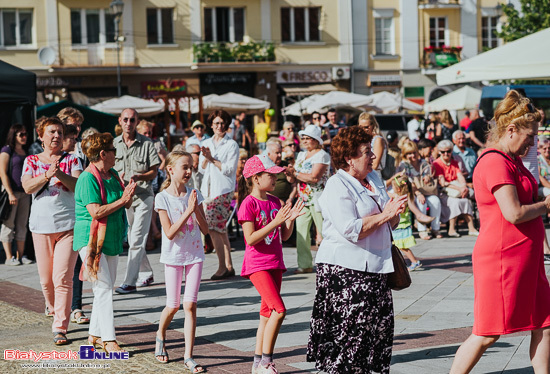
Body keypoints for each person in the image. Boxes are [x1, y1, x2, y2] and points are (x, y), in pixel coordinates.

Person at [450, 90, 550, 373]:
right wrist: (546, 205)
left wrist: (545, 193)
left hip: (525, 257)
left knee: (545, 323)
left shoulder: (512, 159)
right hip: (503, 259)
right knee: (487, 333)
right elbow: (514, 213)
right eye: (530, 136)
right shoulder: (495, 161)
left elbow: (528, 191)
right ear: (511, 129)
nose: (533, 143)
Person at [307, 126, 407, 373]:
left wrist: (394, 212)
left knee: (377, 335)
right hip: (346, 273)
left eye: (371, 151)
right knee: (350, 338)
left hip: (377, 268)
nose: (373, 156)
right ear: (349, 159)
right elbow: (351, 229)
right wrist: (385, 215)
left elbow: (387, 222)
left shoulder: (373, 179)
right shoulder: (337, 184)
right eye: (366, 152)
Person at [237, 154, 305, 374]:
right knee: (279, 310)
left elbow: (284, 236)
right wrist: (275, 222)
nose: (276, 178)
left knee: (266, 315)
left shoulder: (275, 201)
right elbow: (250, 238)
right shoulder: (248, 203)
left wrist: (289, 220)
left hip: (276, 263)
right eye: (271, 175)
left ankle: (257, 364)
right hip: (257, 265)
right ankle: (267, 361)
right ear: (256, 178)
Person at [21, 117, 83, 345]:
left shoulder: (73, 159)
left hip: (68, 226)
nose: (56, 136)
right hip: (41, 227)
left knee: (63, 279)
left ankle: (60, 327)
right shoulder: (31, 160)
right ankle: (52, 306)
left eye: (59, 132)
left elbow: (77, 185)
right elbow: (27, 186)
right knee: (46, 280)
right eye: (51, 132)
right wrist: (47, 174)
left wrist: (58, 174)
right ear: (41, 136)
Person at [74, 132, 136, 353]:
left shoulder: (113, 174)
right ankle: (109, 339)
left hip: (111, 238)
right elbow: (96, 211)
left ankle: (94, 335)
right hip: (91, 241)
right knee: (103, 287)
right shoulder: (87, 178)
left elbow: (124, 205)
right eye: (113, 150)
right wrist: (122, 200)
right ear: (103, 153)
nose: (116, 154)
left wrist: (127, 197)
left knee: (105, 287)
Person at [153, 151, 208, 372]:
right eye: (184, 167)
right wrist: (188, 211)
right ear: (171, 169)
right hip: (174, 257)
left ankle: (188, 356)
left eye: (191, 167)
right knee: (173, 305)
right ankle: (160, 334)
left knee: (190, 305)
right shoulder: (162, 198)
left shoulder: (195, 193)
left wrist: (196, 209)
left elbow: (205, 229)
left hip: (195, 255)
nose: (188, 171)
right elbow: (169, 233)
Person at [113, 108, 161, 294]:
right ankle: (146, 272)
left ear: (137, 122)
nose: (128, 123)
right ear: (120, 121)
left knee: (137, 240)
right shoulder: (114, 144)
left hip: (143, 196)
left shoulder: (147, 143)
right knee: (133, 238)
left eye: (132, 120)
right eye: (125, 119)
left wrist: (139, 176)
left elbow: (154, 171)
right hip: (124, 198)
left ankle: (130, 281)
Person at [198, 110, 240, 280]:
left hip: (222, 189)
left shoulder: (232, 145)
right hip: (207, 189)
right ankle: (228, 266)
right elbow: (201, 168)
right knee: (220, 229)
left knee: (213, 227)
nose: (219, 126)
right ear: (211, 125)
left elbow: (229, 169)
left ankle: (222, 267)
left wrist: (212, 159)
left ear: (227, 125)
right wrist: (206, 158)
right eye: (216, 123)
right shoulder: (206, 141)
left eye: (222, 123)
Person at [293, 125, 330, 273]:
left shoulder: (322, 155)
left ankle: (330, 262)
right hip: (302, 198)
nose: (305, 141)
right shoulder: (301, 155)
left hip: (318, 197)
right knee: (301, 231)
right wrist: (291, 174)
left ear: (316, 140)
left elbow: (314, 177)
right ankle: (305, 264)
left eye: (308, 138)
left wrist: (295, 174)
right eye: (303, 138)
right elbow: (297, 177)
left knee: (324, 231)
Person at [433, 140, 479, 237]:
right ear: (439, 152)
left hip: (457, 190)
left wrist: (463, 186)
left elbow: (460, 176)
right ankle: (451, 229)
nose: (446, 154)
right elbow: (443, 183)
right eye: (443, 151)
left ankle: (471, 228)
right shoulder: (437, 163)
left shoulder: (454, 162)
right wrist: (459, 188)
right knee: (455, 202)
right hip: (443, 191)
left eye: (448, 151)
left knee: (465, 201)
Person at [0, 124, 32, 265]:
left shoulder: (25, 151)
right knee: (8, 224)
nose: (24, 137)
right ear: (14, 135)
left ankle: (20, 256)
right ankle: (8, 257)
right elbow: (2, 173)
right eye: (21, 134)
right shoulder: (7, 150)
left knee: (22, 225)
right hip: (11, 193)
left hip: (25, 193)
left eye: (25, 134)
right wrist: (10, 193)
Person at [398, 140, 442, 240]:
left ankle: (435, 228)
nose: (412, 155)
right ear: (405, 154)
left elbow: (429, 175)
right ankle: (422, 230)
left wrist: (428, 177)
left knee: (436, 201)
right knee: (421, 202)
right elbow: (407, 183)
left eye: (414, 152)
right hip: (412, 193)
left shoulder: (423, 163)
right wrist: (418, 193)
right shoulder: (404, 166)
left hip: (426, 190)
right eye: (409, 153)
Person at [390, 174, 422, 270]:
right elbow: (387, 193)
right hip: (401, 226)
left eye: (393, 187)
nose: (393, 189)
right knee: (398, 246)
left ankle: (414, 261)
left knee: (402, 247)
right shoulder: (403, 196)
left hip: (401, 226)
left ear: (398, 189)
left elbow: (401, 211)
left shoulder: (401, 198)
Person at [266, 138, 296, 205]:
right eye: (277, 153)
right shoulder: (265, 167)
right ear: (269, 154)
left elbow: (294, 185)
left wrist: (291, 199)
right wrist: (277, 200)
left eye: (280, 152)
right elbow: (260, 190)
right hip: (270, 202)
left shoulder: (286, 165)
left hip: (287, 201)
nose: (280, 155)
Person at [358, 112, 387, 180]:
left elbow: (375, 165)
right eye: (360, 127)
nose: (363, 130)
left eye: (366, 127)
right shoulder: (362, 140)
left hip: (374, 176)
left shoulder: (377, 140)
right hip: (364, 176)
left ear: (373, 125)